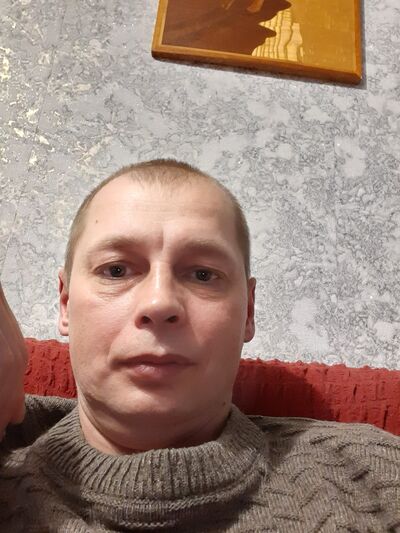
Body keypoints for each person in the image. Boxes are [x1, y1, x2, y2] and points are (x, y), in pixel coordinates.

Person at [1, 159, 400, 532]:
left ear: (248, 312)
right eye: (116, 270)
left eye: (203, 275)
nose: (159, 303)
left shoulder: (375, 478)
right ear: (65, 303)